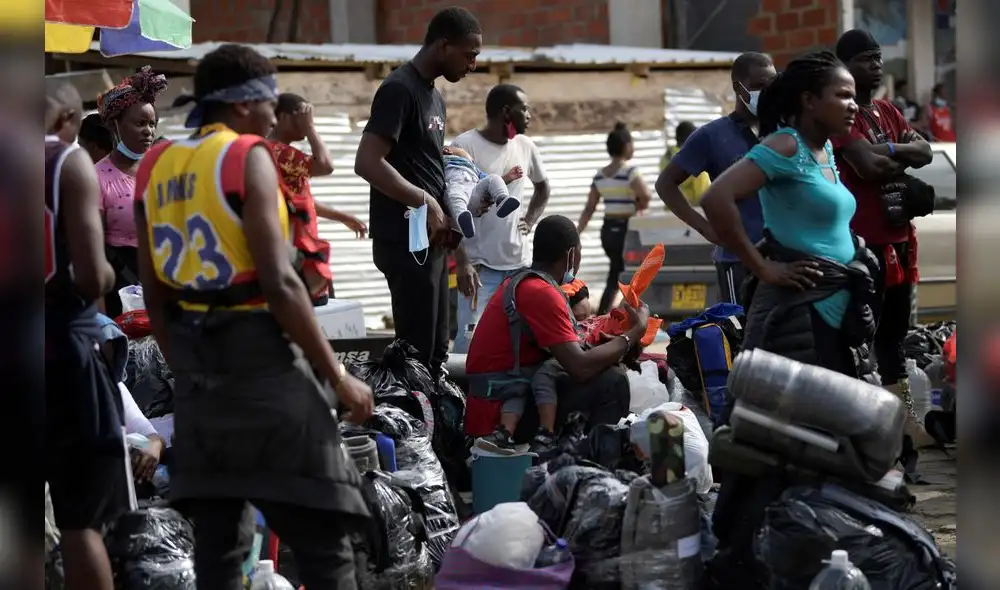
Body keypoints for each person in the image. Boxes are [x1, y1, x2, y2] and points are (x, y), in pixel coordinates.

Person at [134, 44, 373, 590]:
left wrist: (187, 372)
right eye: (269, 101)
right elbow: (282, 282)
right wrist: (338, 377)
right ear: (244, 105)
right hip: (263, 367)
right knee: (324, 542)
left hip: (199, 377)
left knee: (219, 550)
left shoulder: (156, 164)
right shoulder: (245, 156)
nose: (274, 113)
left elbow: (154, 292)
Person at [698, 51, 877, 586]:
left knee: (825, 444)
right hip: (799, 318)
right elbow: (717, 197)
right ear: (808, 99)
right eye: (842, 95)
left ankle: (813, 547)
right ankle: (757, 555)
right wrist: (764, 267)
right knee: (786, 447)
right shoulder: (784, 146)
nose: (853, 104)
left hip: (836, 317)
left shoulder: (824, 154)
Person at [354, 7, 482, 374]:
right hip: (405, 240)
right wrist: (423, 200)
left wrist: (463, 255)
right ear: (444, 45)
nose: (472, 64)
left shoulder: (433, 97)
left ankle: (434, 427)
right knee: (416, 353)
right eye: (469, 54)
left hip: (434, 242)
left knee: (437, 351)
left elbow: (432, 171)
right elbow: (367, 162)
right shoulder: (399, 89)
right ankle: (410, 427)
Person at [465, 215, 648, 452]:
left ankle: (574, 450)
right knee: (612, 381)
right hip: (502, 411)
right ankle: (596, 466)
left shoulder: (524, 282)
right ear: (571, 254)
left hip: (501, 396)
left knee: (605, 368)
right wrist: (636, 332)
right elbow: (580, 367)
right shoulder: (541, 292)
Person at [832, 30, 935, 449]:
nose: (875, 65)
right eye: (865, 58)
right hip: (863, 246)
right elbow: (865, 166)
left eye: (878, 57)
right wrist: (900, 155)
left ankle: (903, 422)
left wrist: (890, 152)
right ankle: (865, 427)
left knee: (894, 335)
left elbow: (926, 152)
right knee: (860, 337)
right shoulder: (843, 115)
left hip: (900, 240)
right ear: (845, 67)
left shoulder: (889, 111)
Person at [45, 78, 125, 590]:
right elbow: (94, 277)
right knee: (80, 523)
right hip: (58, 349)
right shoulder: (66, 161)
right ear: (68, 121)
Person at [656, 52, 776, 307]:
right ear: (738, 87)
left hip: (781, 257)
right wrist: (705, 228)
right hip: (737, 261)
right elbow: (665, 184)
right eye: (759, 86)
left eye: (772, 86)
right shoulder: (712, 136)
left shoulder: (783, 133)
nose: (767, 93)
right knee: (742, 337)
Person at [449, 83, 551, 354]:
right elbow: (451, 205)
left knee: (518, 340)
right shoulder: (465, 145)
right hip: (478, 269)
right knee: (469, 344)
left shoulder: (526, 146)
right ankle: (463, 395)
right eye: (524, 108)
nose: (530, 115)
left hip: (518, 267)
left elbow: (543, 188)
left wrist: (529, 220)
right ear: (507, 112)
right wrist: (462, 262)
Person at [269, 92, 367, 305]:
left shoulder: (275, 151)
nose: (307, 121)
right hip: (296, 249)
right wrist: (311, 130)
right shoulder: (279, 152)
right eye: (303, 116)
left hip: (293, 247)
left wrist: (341, 216)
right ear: (284, 117)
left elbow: (299, 201)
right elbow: (325, 165)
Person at [95, 67, 168, 318]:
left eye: (152, 124)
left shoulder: (164, 171)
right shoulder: (97, 179)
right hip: (122, 297)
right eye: (139, 123)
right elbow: (91, 255)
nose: (148, 131)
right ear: (116, 125)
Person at [577, 121, 653, 314]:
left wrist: (577, 231)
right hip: (625, 229)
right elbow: (645, 195)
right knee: (622, 275)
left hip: (608, 231)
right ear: (626, 145)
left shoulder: (600, 176)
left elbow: (589, 208)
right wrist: (639, 205)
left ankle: (615, 314)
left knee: (618, 272)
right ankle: (610, 316)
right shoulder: (629, 172)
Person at [95, 312, 166, 481]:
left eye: (110, 361)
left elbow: (153, 438)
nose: (103, 369)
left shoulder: (114, 389)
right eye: (97, 360)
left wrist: (151, 450)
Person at [443, 144, 522, 238]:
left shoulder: (475, 169)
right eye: (468, 156)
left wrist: (507, 178)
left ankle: (502, 199)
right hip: (456, 188)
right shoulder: (443, 160)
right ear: (448, 150)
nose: (472, 160)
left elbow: (489, 184)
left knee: (493, 178)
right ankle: (462, 218)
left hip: (474, 195)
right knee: (455, 194)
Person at [660, 121, 710, 204]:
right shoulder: (693, 157)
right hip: (691, 209)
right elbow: (700, 189)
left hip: (671, 209)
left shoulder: (667, 156)